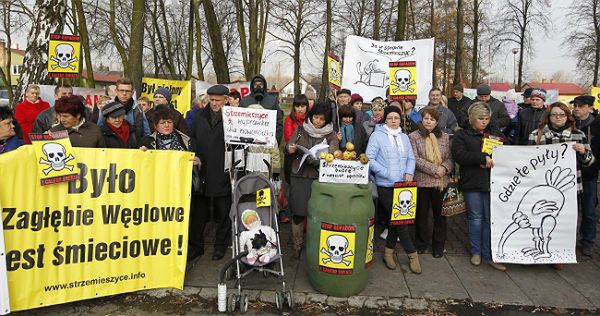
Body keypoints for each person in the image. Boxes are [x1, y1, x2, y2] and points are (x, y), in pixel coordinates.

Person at [452, 102, 506, 271]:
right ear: (472, 119)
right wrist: (481, 158)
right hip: (472, 182)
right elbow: (459, 155)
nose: (484, 122)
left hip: (492, 182)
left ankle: (489, 254)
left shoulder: (494, 133)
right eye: (480, 119)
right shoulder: (462, 135)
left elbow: (506, 151)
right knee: (475, 218)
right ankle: (476, 252)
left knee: (490, 220)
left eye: (486, 119)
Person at [366, 106, 421, 273]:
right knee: (400, 220)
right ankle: (412, 255)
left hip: (403, 186)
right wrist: (386, 173)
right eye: (390, 118)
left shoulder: (404, 137)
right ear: (385, 119)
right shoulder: (377, 136)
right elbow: (369, 158)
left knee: (395, 221)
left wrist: (409, 172)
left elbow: (411, 157)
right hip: (385, 185)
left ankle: (388, 253)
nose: (393, 120)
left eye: (396, 118)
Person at [286, 102, 339, 257]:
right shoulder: (302, 128)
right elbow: (290, 145)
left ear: (327, 121)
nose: (317, 121)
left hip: (319, 177)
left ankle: (316, 245)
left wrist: (318, 158)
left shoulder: (331, 134)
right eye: (316, 117)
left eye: (322, 119)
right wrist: (290, 148)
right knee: (298, 211)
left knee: (318, 213)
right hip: (299, 174)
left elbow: (333, 153)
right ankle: (297, 245)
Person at [190, 84, 232, 261]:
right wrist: (195, 156)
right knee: (199, 213)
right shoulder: (199, 116)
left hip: (224, 170)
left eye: (218, 100)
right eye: (211, 100)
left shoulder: (233, 117)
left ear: (226, 100)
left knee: (223, 212)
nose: (214, 104)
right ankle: (196, 246)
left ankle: (220, 245)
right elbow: (192, 138)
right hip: (203, 169)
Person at [554, 99, 598, 257]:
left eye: (581, 106)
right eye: (575, 106)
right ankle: (566, 240)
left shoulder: (596, 125)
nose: (576, 109)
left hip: (589, 173)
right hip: (570, 174)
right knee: (569, 209)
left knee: (589, 210)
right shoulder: (570, 123)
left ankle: (587, 241)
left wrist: (590, 160)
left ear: (590, 108)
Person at [409, 108, 453, 258]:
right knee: (421, 215)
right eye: (426, 118)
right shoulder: (413, 136)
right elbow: (415, 159)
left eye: (432, 119)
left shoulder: (445, 137)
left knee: (440, 216)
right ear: (422, 119)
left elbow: (450, 158)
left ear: (437, 122)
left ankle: (438, 246)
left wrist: (444, 168)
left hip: (441, 181)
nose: (429, 121)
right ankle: (421, 243)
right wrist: (435, 169)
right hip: (422, 181)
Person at [96, 77, 151, 142]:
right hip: (110, 148)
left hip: (133, 148)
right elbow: (99, 129)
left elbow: (146, 133)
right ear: (116, 91)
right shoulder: (107, 107)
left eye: (127, 91)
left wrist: (144, 144)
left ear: (132, 92)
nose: (124, 93)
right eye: (121, 90)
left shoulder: (138, 108)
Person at [240, 74, 284, 142]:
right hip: (249, 141)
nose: (258, 87)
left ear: (264, 85)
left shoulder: (272, 100)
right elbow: (239, 122)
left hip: (268, 141)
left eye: (260, 84)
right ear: (252, 86)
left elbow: (279, 121)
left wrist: (276, 141)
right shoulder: (244, 101)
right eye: (255, 84)